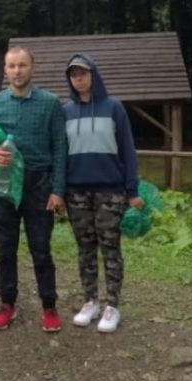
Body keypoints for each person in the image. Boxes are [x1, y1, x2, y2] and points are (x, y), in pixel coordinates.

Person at [0, 46, 67, 332]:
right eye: (12, 66)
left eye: (23, 65)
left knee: (41, 249)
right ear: (5, 70)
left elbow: (61, 149)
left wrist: (58, 190)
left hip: (39, 184)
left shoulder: (51, 104)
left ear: (32, 68)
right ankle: (7, 304)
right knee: (5, 249)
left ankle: (49, 306)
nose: (17, 71)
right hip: (3, 184)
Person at [63, 53, 142, 333]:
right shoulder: (66, 111)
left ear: (93, 74)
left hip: (111, 192)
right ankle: (90, 301)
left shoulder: (114, 108)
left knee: (110, 248)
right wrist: (59, 191)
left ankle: (112, 306)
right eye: (74, 74)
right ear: (70, 80)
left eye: (83, 73)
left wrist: (132, 190)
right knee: (85, 249)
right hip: (76, 193)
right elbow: (60, 154)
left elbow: (128, 150)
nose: (79, 78)